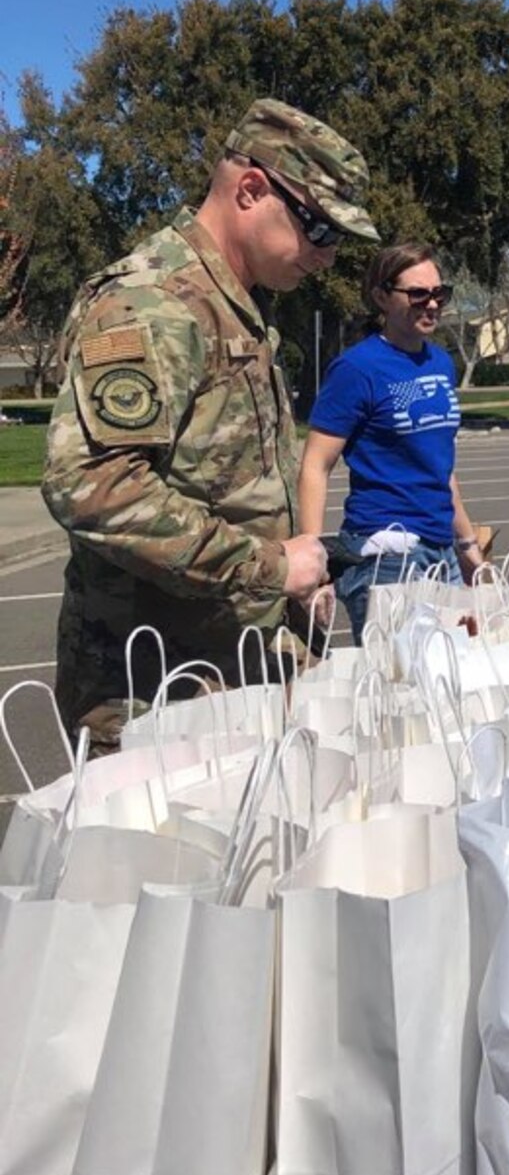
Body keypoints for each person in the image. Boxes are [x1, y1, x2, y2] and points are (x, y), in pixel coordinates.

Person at [42, 97, 378, 749]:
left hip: (224, 670)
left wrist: (289, 580)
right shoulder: (153, 305)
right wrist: (268, 568)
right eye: (321, 229)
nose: (327, 257)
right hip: (153, 691)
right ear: (252, 189)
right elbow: (91, 487)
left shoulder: (232, 305)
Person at [297, 242, 483, 641]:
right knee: (404, 684)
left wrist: (467, 545)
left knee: (452, 673)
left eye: (439, 294)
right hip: (385, 552)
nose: (431, 305)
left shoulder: (440, 363)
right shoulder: (356, 368)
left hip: (440, 550)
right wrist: (313, 561)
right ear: (381, 296)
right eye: (417, 294)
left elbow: (440, 468)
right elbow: (316, 465)